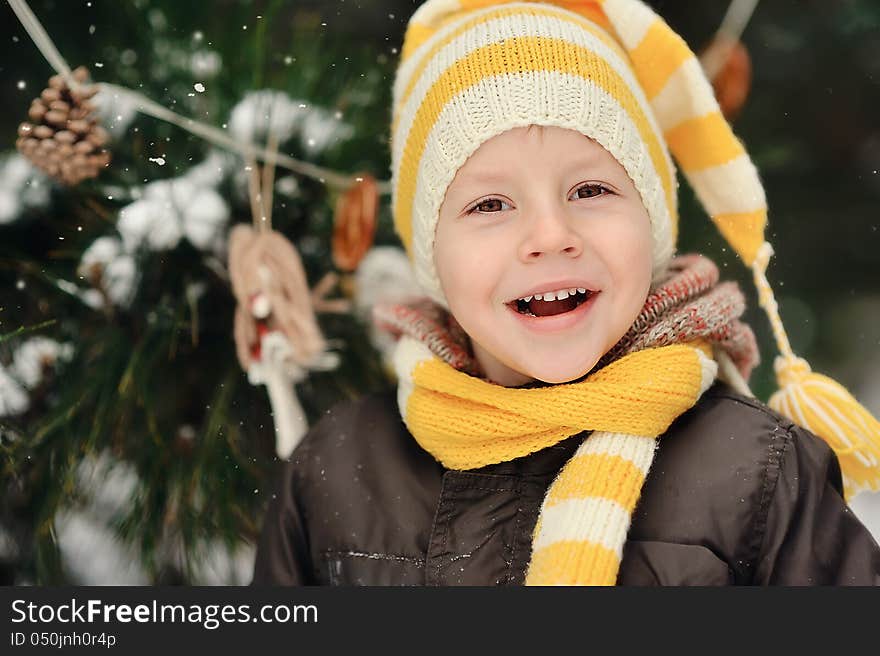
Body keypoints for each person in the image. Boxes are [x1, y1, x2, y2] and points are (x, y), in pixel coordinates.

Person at [251, 0, 880, 585]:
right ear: (432, 254)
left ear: (652, 222)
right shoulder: (336, 471)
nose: (551, 236)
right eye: (490, 203)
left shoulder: (759, 471)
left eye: (591, 191)